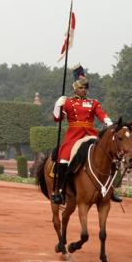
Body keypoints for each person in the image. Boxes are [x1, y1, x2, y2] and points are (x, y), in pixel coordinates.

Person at [51, 65, 118, 204]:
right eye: (81, 88)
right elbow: (57, 119)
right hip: (73, 135)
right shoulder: (68, 102)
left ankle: (111, 188)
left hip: (90, 134)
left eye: (85, 88)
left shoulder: (93, 103)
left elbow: (102, 115)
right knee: (63, 159)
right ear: (75, 88)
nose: (83, 90)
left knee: (108, 154)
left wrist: (109, 123)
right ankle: (60, 191)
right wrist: (58, 105)